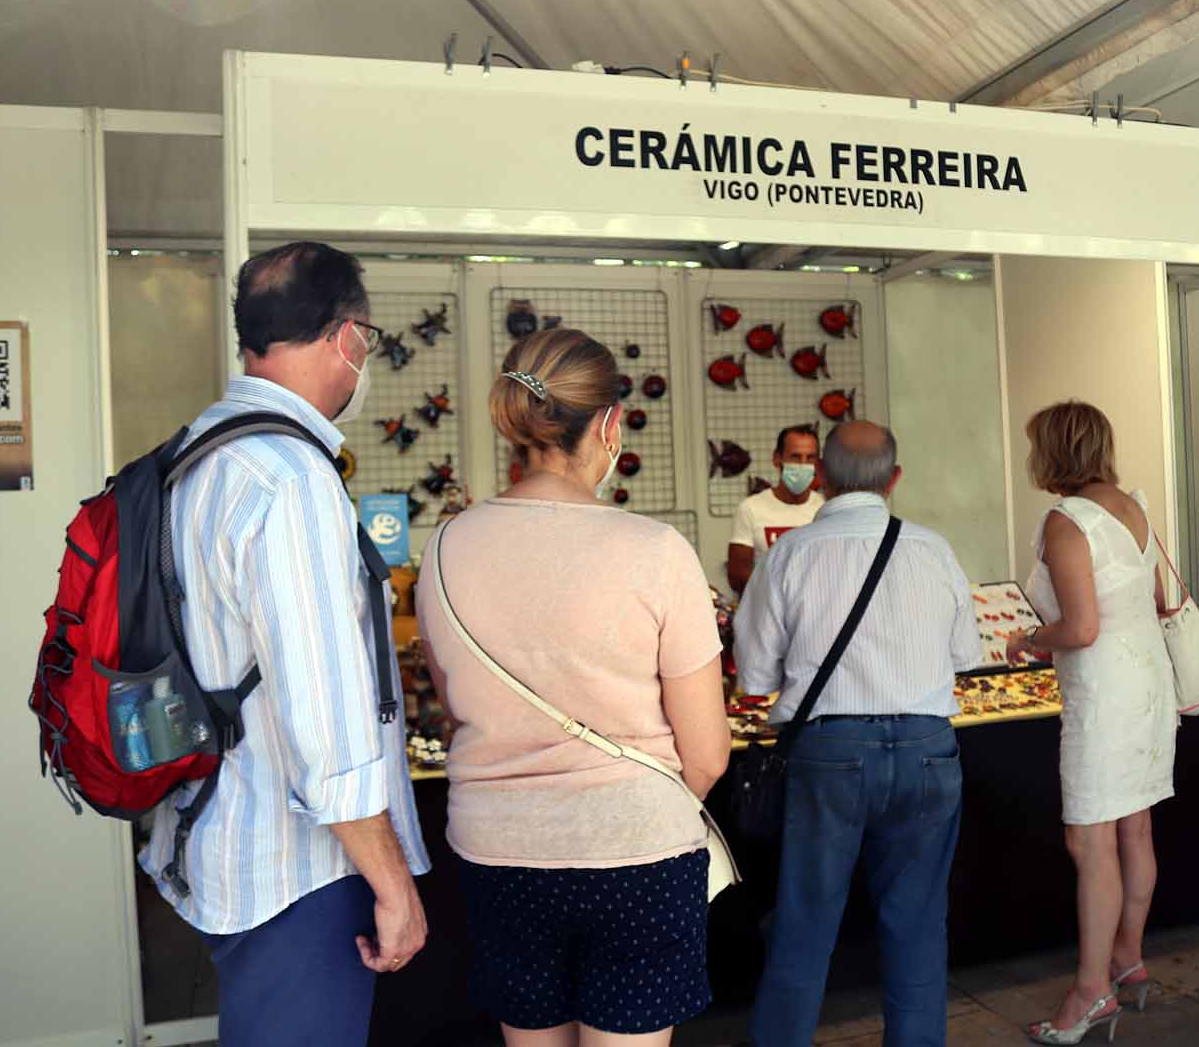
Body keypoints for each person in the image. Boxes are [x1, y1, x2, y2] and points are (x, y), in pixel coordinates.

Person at [138, 241, 431, 1047]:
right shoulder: (291, 480)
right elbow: (324, 719)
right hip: (296, 873)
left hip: (213, 831)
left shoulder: (196, 455)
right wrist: (393, 880)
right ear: (347, 338)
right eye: (365, 340)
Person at [417, 326, 731, 1047]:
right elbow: (708, 754)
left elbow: (455, 699)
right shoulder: (656, 552)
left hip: (498, 853)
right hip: (637, 854)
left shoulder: (446, 546)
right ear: (610, 423)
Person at [734, 421, 981, 1047]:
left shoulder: (789, 554)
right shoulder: (933, 549)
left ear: (822, 476)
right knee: (919, 927)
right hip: (929, 750)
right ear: (894, 480)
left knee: (805, 923)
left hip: (829, 755)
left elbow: (755, 675)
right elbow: (965, 656)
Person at [1008, 401, 1177, 1046]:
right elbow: (1157, 600)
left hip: (1105, 695)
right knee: (1135, 827)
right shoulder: (1131, 507)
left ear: (1051, 452)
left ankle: (1089, 991)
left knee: (1089, 843)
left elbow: (1079, 629)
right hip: (1150, 684)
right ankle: (1127, 960)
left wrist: (1028, 640)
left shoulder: (1066, 520)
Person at [727, 425, 823, 593]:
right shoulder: (751, 508)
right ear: (777, 458)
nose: (803, 464)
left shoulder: (826, 509)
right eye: (795, 457)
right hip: (767, 611)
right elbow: (737, 577)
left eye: (810, 458)